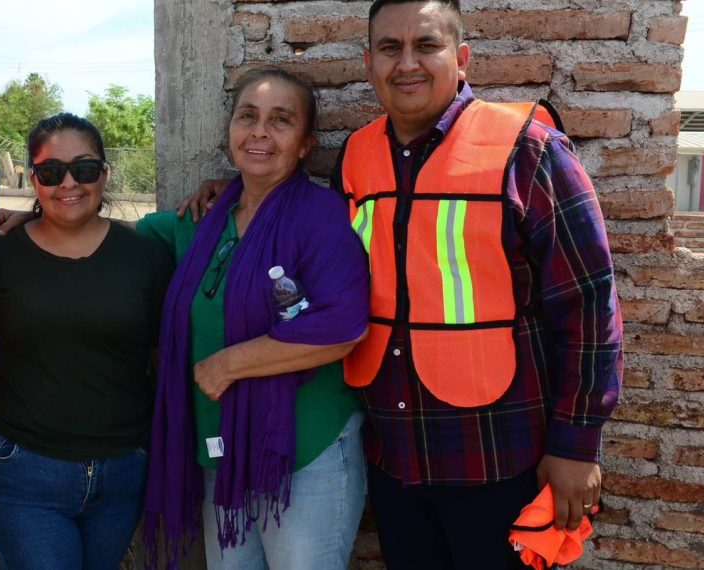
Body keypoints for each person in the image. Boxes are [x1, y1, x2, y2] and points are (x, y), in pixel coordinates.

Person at [183, 1, 623, 567]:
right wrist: (232, 192)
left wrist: (577, 444)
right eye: (390, 48)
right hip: (395, 460)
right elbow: (306, 241)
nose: (407, 63)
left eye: (427, 45)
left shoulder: (527, 150)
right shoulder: (356, 156)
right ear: (370, 63)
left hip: (497, 456)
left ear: (461, 59)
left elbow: (588, 305)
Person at [140, 68, 371, 570]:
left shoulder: (322, 216)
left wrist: (227, 365)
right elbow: (101, 236)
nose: (260, 132)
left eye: (281, 120)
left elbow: (343, 326)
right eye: (248, 116)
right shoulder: (204, 221)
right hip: (224, 452)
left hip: (304, 454)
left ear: (306, 144)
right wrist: (37, 218)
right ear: (230, 129)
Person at [0, 113, 172, 570]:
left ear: (104, 174)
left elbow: (163, 357)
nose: (68, 183)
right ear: (33, 179)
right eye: (50, 171)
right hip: (25, 466)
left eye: (84, 169)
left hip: (123, 468)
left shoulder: (145, 256)